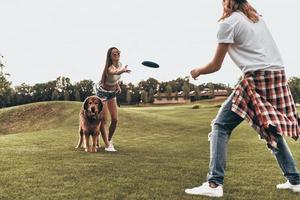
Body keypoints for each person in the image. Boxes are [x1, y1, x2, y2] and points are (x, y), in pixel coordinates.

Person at [185, 0, 300, 197]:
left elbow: (215, 65)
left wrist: (197, 71)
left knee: (220, 126)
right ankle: (295, 180)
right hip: (277, 75)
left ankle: (214, 184)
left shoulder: (228, 23)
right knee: (270, 127)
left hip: (257, 77)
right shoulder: (254, 17)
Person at [97, 47, 131, 152]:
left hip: (112, 93)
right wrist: (123, 71)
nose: (116, 54)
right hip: (102, 93)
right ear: (110, 56)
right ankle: (108, 145)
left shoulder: (120, 64)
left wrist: (117, 85)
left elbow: (115, 78)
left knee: (115, 120)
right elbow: (115, 72)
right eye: (113, 53)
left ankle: (109, 139)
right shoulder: (109, 67)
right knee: (104, 120)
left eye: (117, 52)